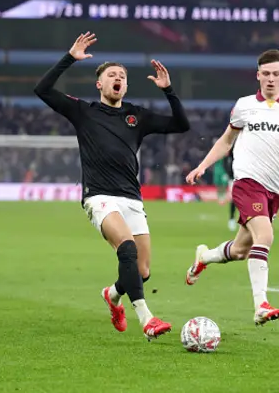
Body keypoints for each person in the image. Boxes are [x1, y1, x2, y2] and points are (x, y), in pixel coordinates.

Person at [33, 32, 190, 340]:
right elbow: (42, 89)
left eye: (122, 76)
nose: (117, 79)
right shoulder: (84, 111)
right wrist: (69, 58)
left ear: (126, 86)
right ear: (100, 85)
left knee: (141, 272)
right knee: (126, 249)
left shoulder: (136, 116)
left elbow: (181, 124)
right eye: (111, 75)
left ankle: (112, 295)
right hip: (100, 197)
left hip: (132, 198)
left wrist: (168, 90)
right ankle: (147, 319)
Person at [184, 49, 279, 325]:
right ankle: (260, 305)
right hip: (246, 183)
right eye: (265, 73)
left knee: (242, 250)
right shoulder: (243, 105)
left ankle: (203, 257)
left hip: (274, 190)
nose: (270, 79)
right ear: (258, 75)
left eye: (276, 74)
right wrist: (203, 166)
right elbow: (226, 141)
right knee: (264, 237)